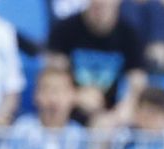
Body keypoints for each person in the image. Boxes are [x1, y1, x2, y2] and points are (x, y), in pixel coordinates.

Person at [45, 0, 149, 128]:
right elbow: (51, 79)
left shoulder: (130, 35)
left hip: (111, 115)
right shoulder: (64, 30)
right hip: (69, 112)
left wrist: (124, 108)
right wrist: (76, 96)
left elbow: (137, 84)